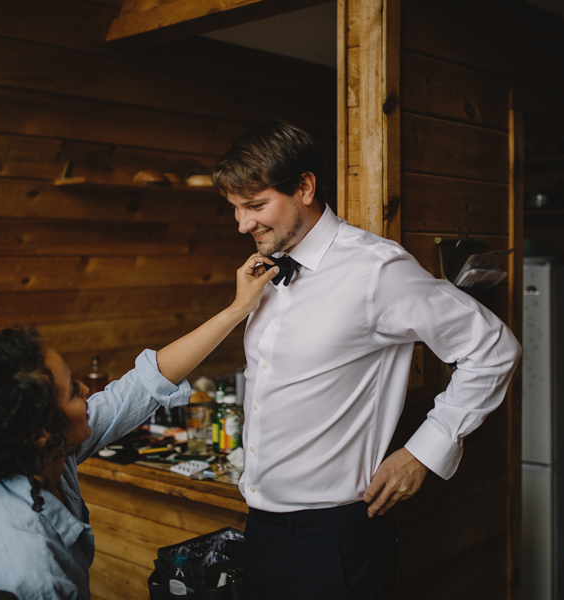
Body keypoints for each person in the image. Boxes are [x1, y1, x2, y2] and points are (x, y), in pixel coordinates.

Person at [212, 119, 522, 599]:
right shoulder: (265, 273)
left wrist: (424, 451)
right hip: (263, 529)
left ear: (305, 187)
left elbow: (494, 348)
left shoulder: (376, 269)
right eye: (234, 209)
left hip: (334, 538)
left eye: (255, 206)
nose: (242, 224)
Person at [0, 253, 280, 600]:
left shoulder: (29, 456)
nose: (86, 394)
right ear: (42, 433)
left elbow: (139, 386)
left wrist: (238, 309)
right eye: (74, 393)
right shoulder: (36, 574)